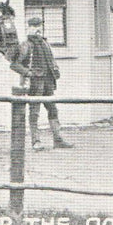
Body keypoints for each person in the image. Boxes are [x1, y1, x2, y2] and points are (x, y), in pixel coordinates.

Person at [11, 16, 73, 151]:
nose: (38, 29)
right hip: (34, 83)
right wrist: (28, 73)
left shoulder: (45, 43)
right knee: (34, 112)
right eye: (34, 26)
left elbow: (51, 60)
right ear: (29, 28)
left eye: (39, 26)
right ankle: (36, 141)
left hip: (48, 82)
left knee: (53, 109)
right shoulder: (25, 45)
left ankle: (58, 139)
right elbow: (14, 64)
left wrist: (55, 68)